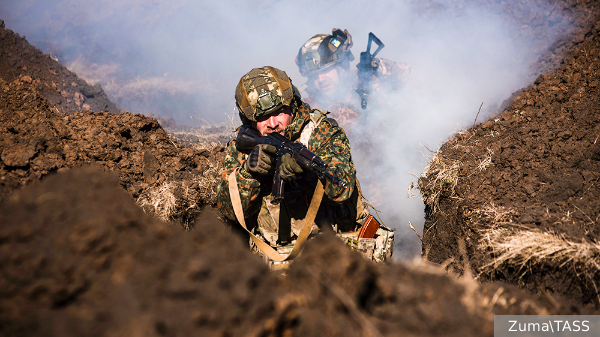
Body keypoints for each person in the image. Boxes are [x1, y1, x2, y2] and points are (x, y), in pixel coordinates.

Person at [216, 66, 393, 269]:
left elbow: (342, 190)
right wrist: (248, 174)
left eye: (279, 112)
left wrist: (307, 174)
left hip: (333, 256)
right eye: (263, 117)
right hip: (271, 263)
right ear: (248, 119)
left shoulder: (322, 132)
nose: (273, 123)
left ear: (292, 105)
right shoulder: (244, 146)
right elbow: (228, 212)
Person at [295, 28, 410, 128]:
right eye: (314, 76)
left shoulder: (370, 76)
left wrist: (382, 70)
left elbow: (415, 81)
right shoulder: (307, 110)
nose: (320, 79)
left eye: (325, 70)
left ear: (342, 66)